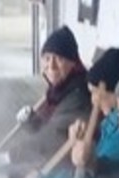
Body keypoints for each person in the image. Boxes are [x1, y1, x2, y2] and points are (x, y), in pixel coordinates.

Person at [18, 47, 119, 178]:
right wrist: (81, 143)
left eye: (96, 93)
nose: (93, 101)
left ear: (118, 93)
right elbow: (91, 165)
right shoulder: (112, 119)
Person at [13, 25, 91, 163]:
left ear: (73, 63)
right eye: (47, 58)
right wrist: (32, 121)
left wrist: (11, 155)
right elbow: (50, 127)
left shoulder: (79, 95)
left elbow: (52, 138)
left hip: (66, 165)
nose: (51, 65)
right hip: (53, 158)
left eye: (59, 58)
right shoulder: (58, 90)